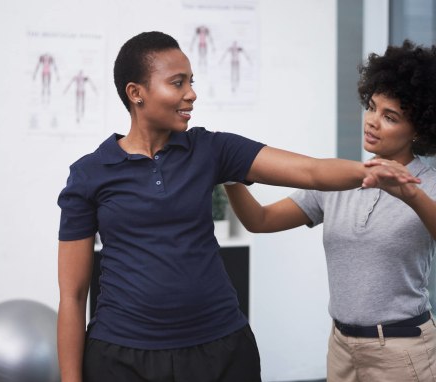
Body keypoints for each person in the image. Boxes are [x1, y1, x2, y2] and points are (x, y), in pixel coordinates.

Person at [56, 32, 418, 382]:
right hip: (123, 355)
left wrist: (368, 171)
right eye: (177, 83)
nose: (192, 94)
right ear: (136, 93)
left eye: (191, 82)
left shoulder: (212, 149)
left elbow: (310, 170)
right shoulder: (90, 174)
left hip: (219, 348)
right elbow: (72, 296)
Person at [225, 40, 436, 381]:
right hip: (341, 347)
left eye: (390, 116)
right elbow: (259, 220)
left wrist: (411, 197)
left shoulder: (428, 185)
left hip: (402, 351)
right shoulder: (339, 181)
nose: (372, 121)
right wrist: (231, 175)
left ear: (419, 130)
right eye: (371, 106)